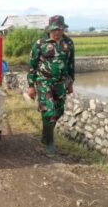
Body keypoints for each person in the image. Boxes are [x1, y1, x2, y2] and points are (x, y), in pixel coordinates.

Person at [26, 15, 75, 157]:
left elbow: (71, 64)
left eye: (60, 29)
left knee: (58, 112)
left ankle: (45, 136)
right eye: (55, 29)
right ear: (49, 29)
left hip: (61, 83)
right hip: (44, 82)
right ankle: (50, 143)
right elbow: (32, 65)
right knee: (49, 111)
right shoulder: (40, 43)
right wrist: (31, 86)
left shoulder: (68, 43)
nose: (58, 32)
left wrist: (70, 83)